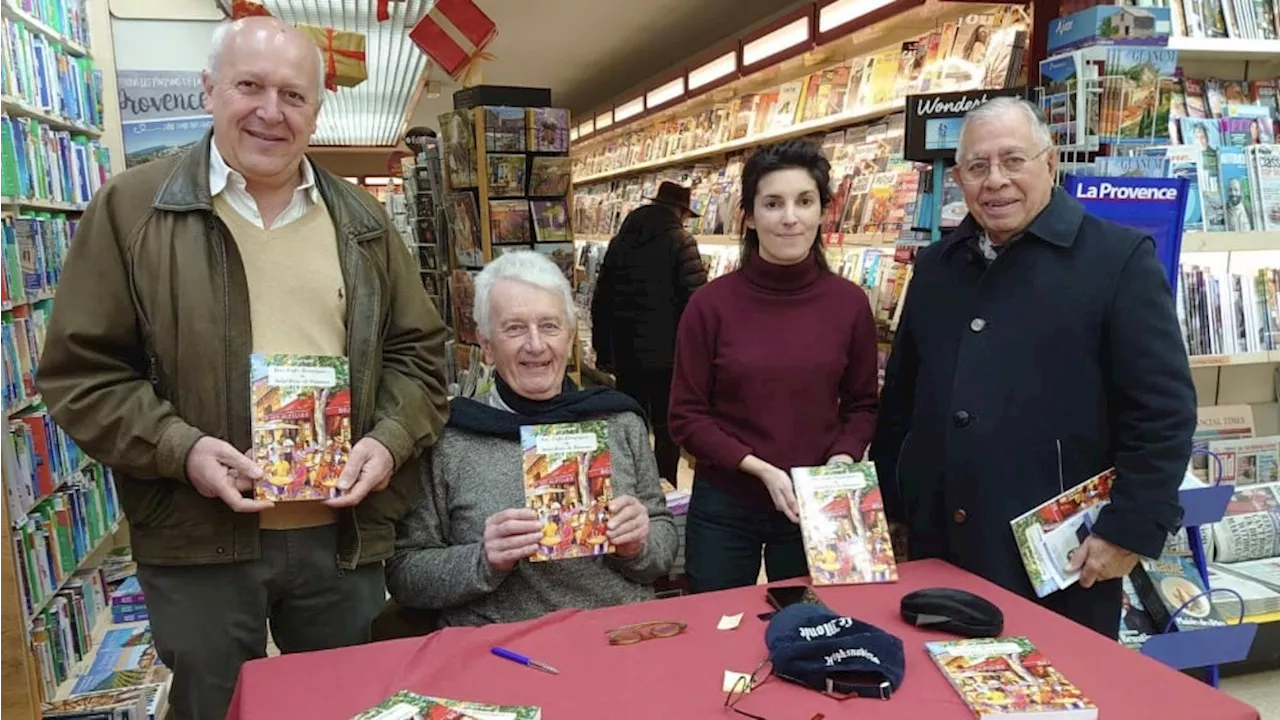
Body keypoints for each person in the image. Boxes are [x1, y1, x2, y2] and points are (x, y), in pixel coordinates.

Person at [34, 17, 449, 720]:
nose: (270, 111)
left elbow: (419, 356)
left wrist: (388, 439)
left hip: (340, 537)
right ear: (209, 90)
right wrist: (181, 448)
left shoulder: (363, 223)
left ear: (317, 110)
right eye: (249, 86)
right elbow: (83, 375)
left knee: (340, 707)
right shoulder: (133, 210)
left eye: (293, 95)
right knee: (213, 708)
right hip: (199, 540)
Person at [872, 97, 1196, 638]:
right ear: (959, 179)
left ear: (1050, 164)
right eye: (978, 167)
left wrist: (1130, 529)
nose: (995, 181)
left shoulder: (1116, 260)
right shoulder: (935, 267)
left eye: (1013, 161)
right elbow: (901, 400)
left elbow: (1162, 412)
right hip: (937, 544)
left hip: (1059, 562)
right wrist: (893, 506)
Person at [386, 251, 679, 627]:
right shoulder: (449, 438)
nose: (536, 345)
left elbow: (664, 540)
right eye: (514, 328)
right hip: (496, 644)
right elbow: (404, 575)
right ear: (486, 345)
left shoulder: (618, 419)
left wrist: (638, 543)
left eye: (550, 326)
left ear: (570, 336)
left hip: (616, 633)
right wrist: (484, 559)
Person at [669, 139, 880, 594]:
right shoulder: (710, 305)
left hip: (816, 502)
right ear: (748, 216)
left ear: (823, 211)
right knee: (715, 624)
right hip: (726, 501)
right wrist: (758, 468)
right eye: (773, 203)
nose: (790, 217)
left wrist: (841, 458)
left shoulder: (849, 304)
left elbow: (863, 404)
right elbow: (686, 417)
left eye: (804, 201)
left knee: (813, 629)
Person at [590, 181, 707, 485]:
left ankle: (632, 485)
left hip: (626, 354)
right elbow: (698, 305)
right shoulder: (681, 242)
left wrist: (604, 351)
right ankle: (664, 487)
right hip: (669, 358)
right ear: (680, 212)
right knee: (668, 428)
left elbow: (601, 300)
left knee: (631, 421)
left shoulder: (621, 241)